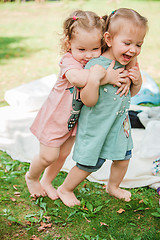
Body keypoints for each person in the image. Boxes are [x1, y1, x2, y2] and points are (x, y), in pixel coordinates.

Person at [25, 10, 129, 199]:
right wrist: (105, 77)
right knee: (48, 156)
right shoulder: (68, 61)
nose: (88, 55)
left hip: (73, 122)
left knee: (62, 155)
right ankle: (32, 177)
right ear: (68, 44)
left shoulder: (95, 62)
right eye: (81, 49)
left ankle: (47, 182)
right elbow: (79, 79)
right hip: (54, 118)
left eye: (94, 49)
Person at [57, 8, 148, 207]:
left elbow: (131, 93)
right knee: (89, 164)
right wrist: (96, 80)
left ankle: (113, 186)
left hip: (118, 123)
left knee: (123, 159)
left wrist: (137, 81)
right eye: (127, 43)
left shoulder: (128, 63)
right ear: (108, 38)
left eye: (138, 44)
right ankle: (65, 188)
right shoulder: (95, 65)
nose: (133, 50)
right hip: (96, 125)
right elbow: (88, 100)